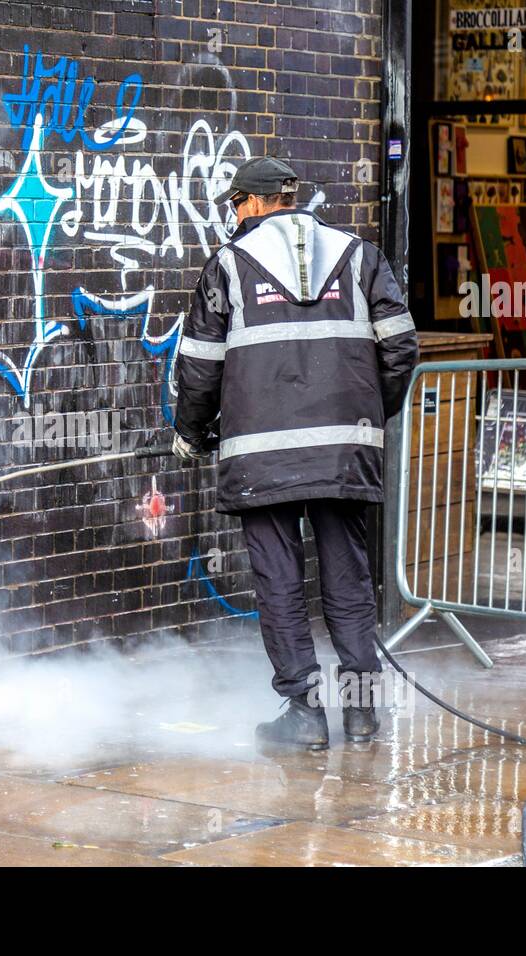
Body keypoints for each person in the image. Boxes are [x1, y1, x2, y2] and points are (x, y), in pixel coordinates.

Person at [172, 156, 419, 750]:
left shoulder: (229, 266)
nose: (234, 215)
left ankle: (305, 714)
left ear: (257, 203)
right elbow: (401, 348)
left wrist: (191, 432)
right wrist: (363, 416)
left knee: (280, 580)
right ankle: (362, 714)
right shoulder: (361, 258)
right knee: (348, 577)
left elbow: (200, 368)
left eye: (236, 204)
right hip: (344, 453)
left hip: (262, 458)